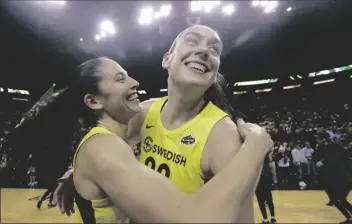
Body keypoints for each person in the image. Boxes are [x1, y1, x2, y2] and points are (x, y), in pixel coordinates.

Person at [54, 25, 263, 222]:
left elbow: (241, 217)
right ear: (167, 59)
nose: (204, 51)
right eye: (192, 41)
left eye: (214, 49)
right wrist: (79, 173)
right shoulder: (143, 112)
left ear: (215, 73)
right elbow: (101, 154)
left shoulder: (223, 134)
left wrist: (256, 148)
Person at [255, 152, 277, 224]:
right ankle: (273, 218)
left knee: (261, 201)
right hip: (267, 178)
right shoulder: (266, 156)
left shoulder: (255, 157)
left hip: (259, 180)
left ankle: (265, 219)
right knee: (269, 199)